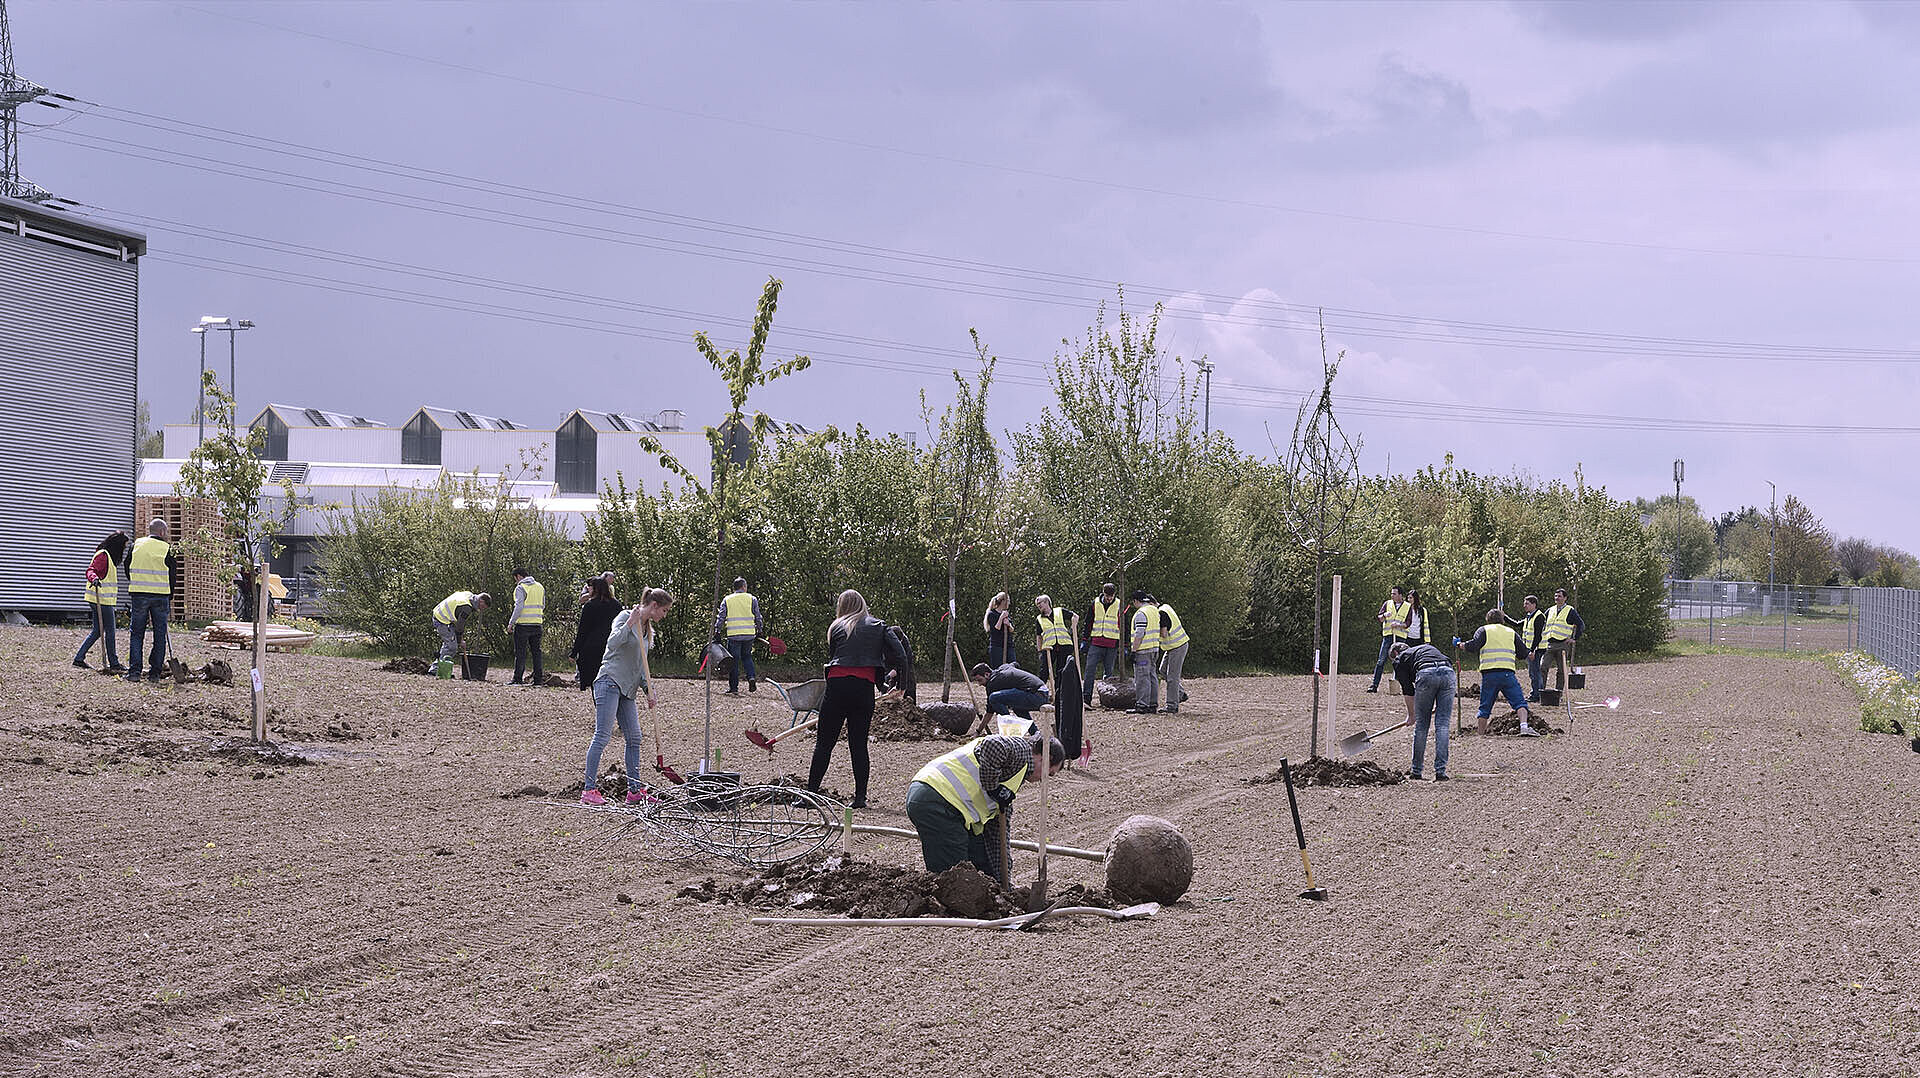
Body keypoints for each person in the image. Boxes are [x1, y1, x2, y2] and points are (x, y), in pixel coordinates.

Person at [906, 731, 1064, 880]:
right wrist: (993, 787)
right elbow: (993, 744)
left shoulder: (1012, 778)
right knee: (955, 875)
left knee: (980, 856)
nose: (1044, 779)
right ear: (1045, 758)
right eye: (1049, 773)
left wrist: (1002, 879)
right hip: (937, 799)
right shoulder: (1022, 751)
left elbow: (997, 835)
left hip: (939, 800)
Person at [807, 589, 909, 810]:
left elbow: (835, 657)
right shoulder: (879, 625)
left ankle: (810, 795)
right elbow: (901, 655)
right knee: (858, 745)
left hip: (837, 687)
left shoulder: (836, 627)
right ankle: (860, 797)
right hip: (863, 690)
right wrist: (901, 685)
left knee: (824, 744)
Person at [582, 587, 674, 806]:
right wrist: (630, 623)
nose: (665, 615)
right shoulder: (625, 616)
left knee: (634, 737)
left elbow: (641, 667)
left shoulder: (648, 631)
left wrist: (649, 689)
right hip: (609, 681)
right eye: (664, 610)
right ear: (654, 606)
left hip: (628, 690)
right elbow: (612, 643)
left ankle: (634, 792)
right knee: (602, 735)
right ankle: (589, 790)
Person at [1458, 607, 1537, 736]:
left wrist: (1460, 645)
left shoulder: (1484, 630)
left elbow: (1473, 646)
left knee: (1485, 706)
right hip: (1507, 673)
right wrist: (1529, 654)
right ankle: (1524, 727)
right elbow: (1523, 652)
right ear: (1502, 619)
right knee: (1520, 702)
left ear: (1488, 619)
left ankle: (1480, 734)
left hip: (1489, 674)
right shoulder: (1511, 632)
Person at [1391, 640, 1457, 780]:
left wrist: (1411, 715)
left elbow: (1408, 690)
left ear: (1396, 653)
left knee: (1422, 726)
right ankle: (1440, 772)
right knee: (1443, 724)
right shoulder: (1425, 648)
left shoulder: (1399, 659)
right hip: (1448, 672)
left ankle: (1416, 771)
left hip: (1426, 673)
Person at [124, 519, 180, 683]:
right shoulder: (167, 548)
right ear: (162, 532)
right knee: (159, 634)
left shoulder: (136, 545)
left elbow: (127, 566)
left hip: (139, 594)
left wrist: (135, 581)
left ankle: (134, 672)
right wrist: (170, 594)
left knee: (136, 634)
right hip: (160, 596)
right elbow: (173, 575)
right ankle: (154, 673)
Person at [74, 530, 129, 673]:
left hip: (102, 599)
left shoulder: (107, 556)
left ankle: (79, 658)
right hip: (101, 599)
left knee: (98, 631)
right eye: (123, 547)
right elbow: (91, 570)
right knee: (110, 631)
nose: (124, 550)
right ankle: (114, 663)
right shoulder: (103, 555)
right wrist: (94, 579)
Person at [714, 577, 764, 696]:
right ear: (743, 587)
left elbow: (721, 617)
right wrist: (760, 630)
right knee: (747, 657)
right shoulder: (752, 599)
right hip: (748, 634)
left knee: (734, 661)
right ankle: (751, 677)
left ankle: (734, 688)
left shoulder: (727, 599)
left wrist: (717, 631)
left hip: (734, 635)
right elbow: (758, 616)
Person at [572, 576, 621, 691]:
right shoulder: (616, 605)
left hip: (592, 649)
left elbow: (582, 631)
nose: (588, 589)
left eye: (590, 587)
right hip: (611, 647)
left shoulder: (590, 606)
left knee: (595, 681)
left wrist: (574, 652)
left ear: (595, 589)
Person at [1539, 588, 1586, 694]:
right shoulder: (1550, 610)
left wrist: (1574, 638)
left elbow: (1581, 624)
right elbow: (1542, 623)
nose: (1557, 598)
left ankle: (1558, 693)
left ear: (1565, 598)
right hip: (1549, 644)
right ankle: (1541, 691)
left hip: (1562, 644)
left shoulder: (1570, 610)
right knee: (1543, 667)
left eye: (1559, 596)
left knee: (1561, 670)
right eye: (1556, 596)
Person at [1367, 587, 1413, 692]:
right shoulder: (1387, 604)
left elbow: (1408, 623)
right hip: (1388, 637)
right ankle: (1374, 685)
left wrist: (1399, 625)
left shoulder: (1407, 606)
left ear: (1400, 595)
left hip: (1400, 638)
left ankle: (1398, 685)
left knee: (1399, 662)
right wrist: (1384, 615)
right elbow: (1380, 618)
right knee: (1381, 661)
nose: (1392, 596)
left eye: (1394, 594)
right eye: (1391, 594)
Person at [1081, 583, 1123, 697]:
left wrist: (1124, 644)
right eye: (1107, 596)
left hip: (1112, 644)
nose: (1109, 598)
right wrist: (1085, 639)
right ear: (1103, 593)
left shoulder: (1119, 605)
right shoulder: (1095, 603)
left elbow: (1124, 625)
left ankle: (1107, 697)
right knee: (1090, 670)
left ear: (1114, 594)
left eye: (1111, 596)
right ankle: (1086, 697)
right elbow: (1088, 622)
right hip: (1096, 642)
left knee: (1109, 673)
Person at [508, 568, 547, 686]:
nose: (516, 581)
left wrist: (511, 622)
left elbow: (519, 606)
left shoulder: (521, 588)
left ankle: (517, 678)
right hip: (537, 624)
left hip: (523, 625)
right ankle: (538, 680)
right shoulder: (540, 587)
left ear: (519, 576)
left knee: (521, 653)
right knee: (536, 653)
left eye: (515, 579)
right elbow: (543, 605)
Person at [430, 590, 491, 666]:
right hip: (441, 619)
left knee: (449, 644)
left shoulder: (469, 595)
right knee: (451, 647)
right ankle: (436, 669)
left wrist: (460, 639)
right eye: (483, 607)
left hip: (444, 616)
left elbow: (459, 622)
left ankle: (438, 665)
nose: (481, 609)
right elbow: (460, 626)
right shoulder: (467, 608)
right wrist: (460, 641)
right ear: (481, 601)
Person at [971, 661, 1050, 720]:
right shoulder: (1004, 667)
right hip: (1043, 691)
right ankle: (1035, 733)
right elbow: (1016, 664)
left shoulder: (992, 683)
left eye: (980, 680)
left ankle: (1009, 726)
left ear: (987, 674)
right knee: (1014, 704)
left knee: (993, 697)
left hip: (1037, 695)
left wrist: (978, 731)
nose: (979, 684)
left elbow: (990, 711)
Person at [1506, 595, 1548, 702]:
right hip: (1530, 649)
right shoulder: (1529, 616)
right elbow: (1516, 624)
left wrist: (1532, 650)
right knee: (1533, 672)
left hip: (1536, 650)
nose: (1524, 606)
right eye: (1524, 603)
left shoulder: (1539, 617)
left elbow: (1538, 636)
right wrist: (1504, 617)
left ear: (1534, 605)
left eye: (1527, 604)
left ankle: (1536, 695)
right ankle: (1537, 693)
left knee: (1535, 673)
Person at [1129, 590, 1161, 714]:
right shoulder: (1154, 610)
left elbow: (1139, 633)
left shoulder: (1141, 613)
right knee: (1152, 676)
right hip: (1154, 649)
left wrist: (1134, 650)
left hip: (1143, 651)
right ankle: (1152, 704)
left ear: (1136, 601)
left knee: (1142, 678)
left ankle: (1142, 704)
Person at [1157, 601, 1191, 714]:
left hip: (1177, 646)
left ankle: (1172, 706)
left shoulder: (1161, 613)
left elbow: (1164, 634)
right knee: (1163, 670)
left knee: (1172, 677)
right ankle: (1180, 694)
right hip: (1173, 646)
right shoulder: (1165, 607)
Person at [982, 592, 1015, 668]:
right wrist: (1001, 618)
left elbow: (1012, 630)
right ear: (1003, 601)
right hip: (997, 645)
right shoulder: (992, 614)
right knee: (998, 668)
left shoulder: (1006, 614)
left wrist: (1008, 624)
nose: (1009, 603)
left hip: (1008, 645)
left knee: (1012, 666)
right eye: (1008, 601)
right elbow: (996, 629)